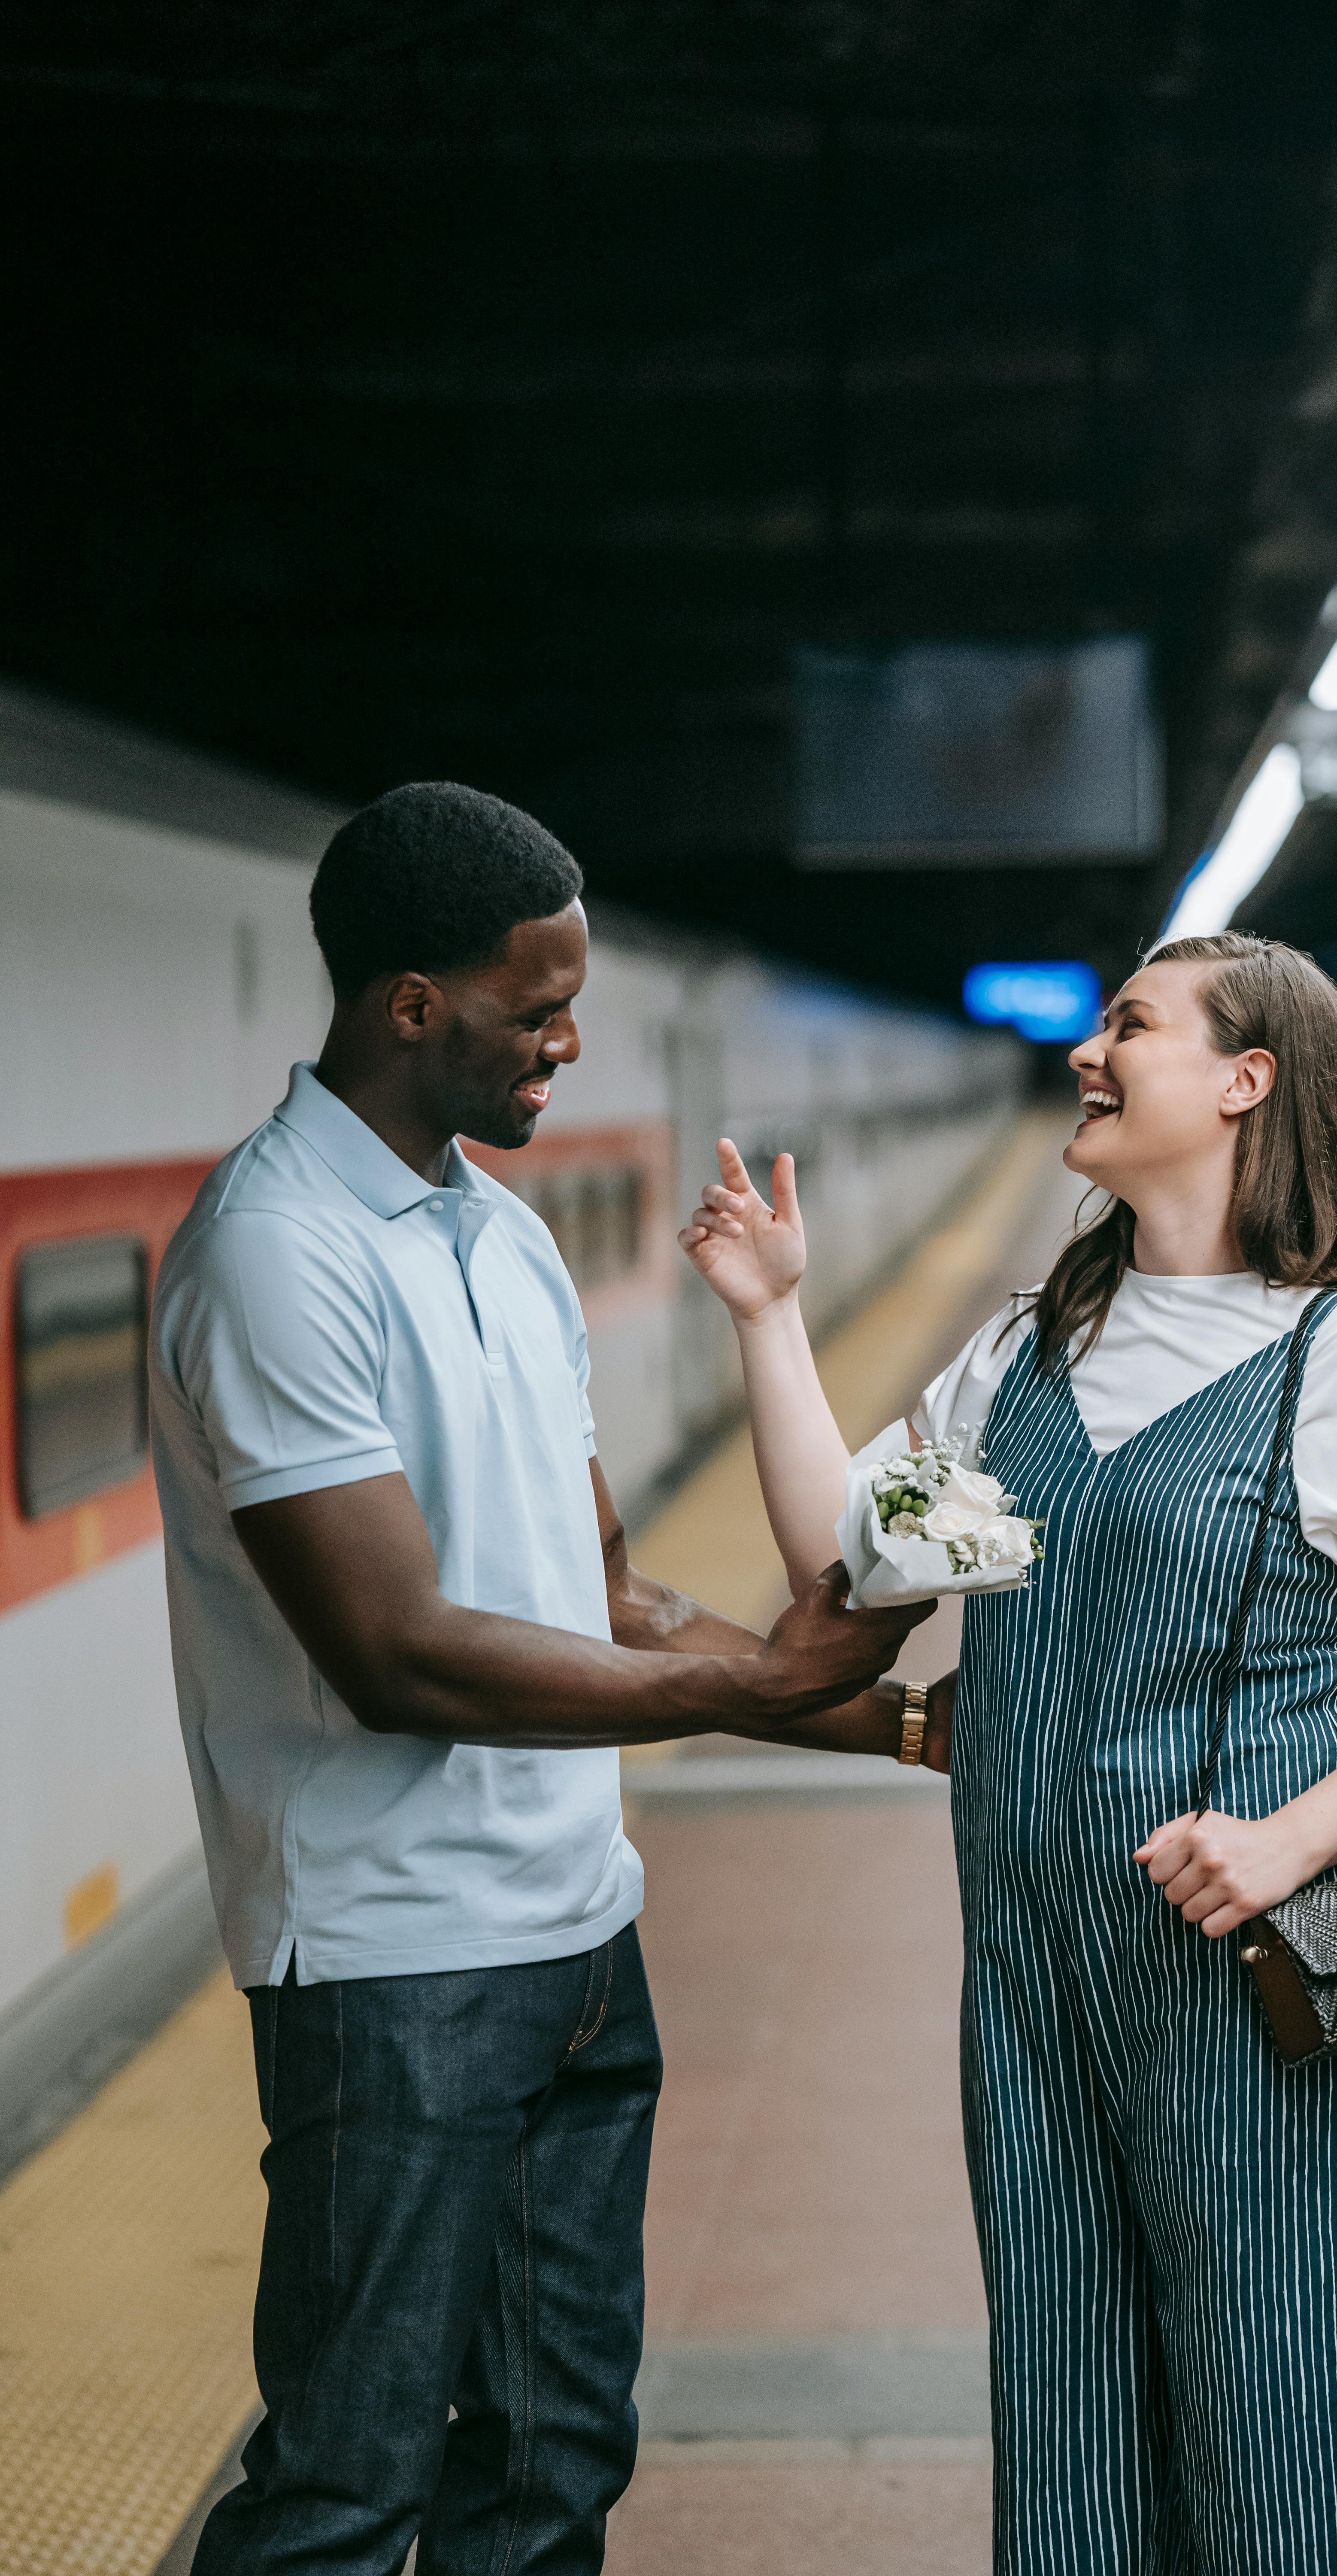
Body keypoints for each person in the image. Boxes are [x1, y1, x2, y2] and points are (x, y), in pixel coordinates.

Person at [679, 930, 1337, 2576]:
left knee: (1310, 2397)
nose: (1089, 1052)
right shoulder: (1025, 1357)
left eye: (1129, 1028)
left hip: (1270, 1984)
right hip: (1039, 1984)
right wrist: (770, 1320)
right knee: (1077, 2396)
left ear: (1243, 1083)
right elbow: (849, 1560)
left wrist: (1289, 1839)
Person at [149, 782, 928, 2576]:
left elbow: (605, 1593)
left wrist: (868, 1711)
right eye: (540, 1004)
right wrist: (752, 1697)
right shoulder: (279, 1254)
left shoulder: (498, 1239)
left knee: (553, 2457)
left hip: (575, 1932)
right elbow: (397, 1652)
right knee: (348, 2483)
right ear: (412, 1004)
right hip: (393, 1962)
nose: (573, 1041)